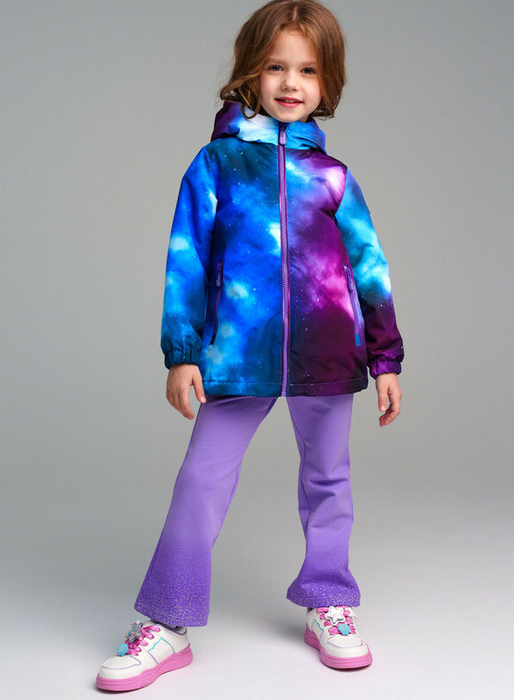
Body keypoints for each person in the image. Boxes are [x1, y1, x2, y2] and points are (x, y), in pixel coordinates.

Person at [96, 0, 404, 691]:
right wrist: (182, 352)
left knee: (328, 479)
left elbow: (369, 267)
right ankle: (166, 621)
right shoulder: (217, 164)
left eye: (308, 70)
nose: (291, 83)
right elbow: (185, 260)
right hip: (237, 354)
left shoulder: (333, 176)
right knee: (201, 478)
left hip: (328, 353)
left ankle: (329, 600)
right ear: (249, 74)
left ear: (327, 82)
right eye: (275, 67)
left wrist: (385, 359)